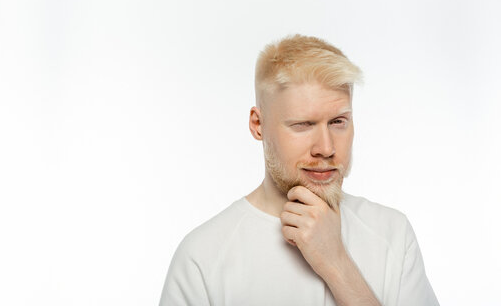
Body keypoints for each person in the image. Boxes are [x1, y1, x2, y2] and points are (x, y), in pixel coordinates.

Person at [159, 35, 439, 306]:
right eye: (303, 125)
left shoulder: (393, 234)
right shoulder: (203, 257)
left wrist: (338, 265)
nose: (326, 148)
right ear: (258, 125)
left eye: (338, 121)